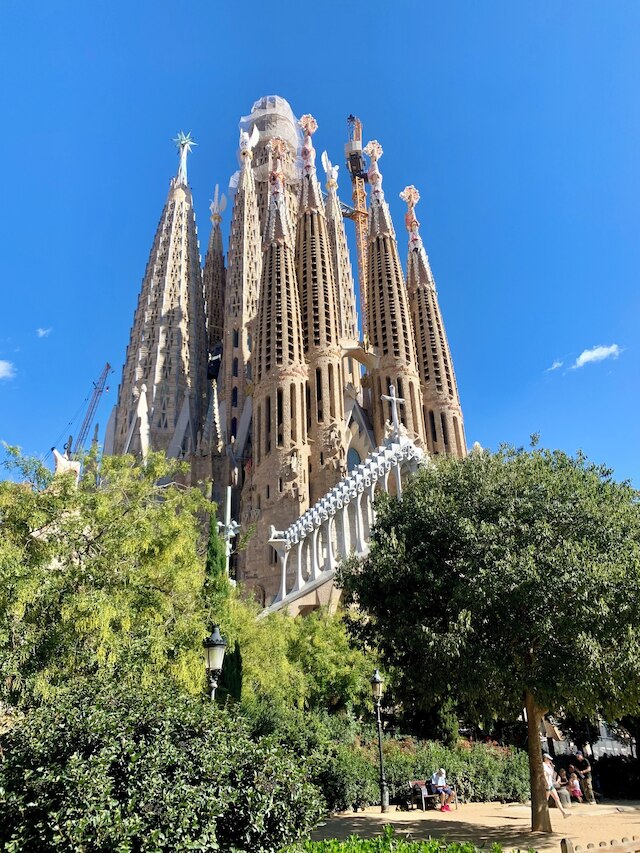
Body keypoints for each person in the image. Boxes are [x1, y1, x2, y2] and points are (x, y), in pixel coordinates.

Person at [543, 753, 571, 818]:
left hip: (550, 784)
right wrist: (546, 782)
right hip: (547, 785)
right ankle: (543, 814)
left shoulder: (549, 766)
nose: (550, 761)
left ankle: (564, 813)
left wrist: (551, 767)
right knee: (545, 800)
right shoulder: (543, 765)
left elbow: (551, 774)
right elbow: (544, 775)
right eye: (549, 759)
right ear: (545, 759)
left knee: (556, 798)